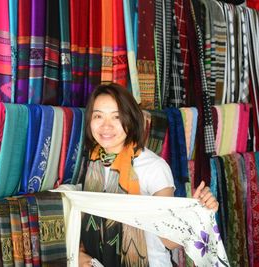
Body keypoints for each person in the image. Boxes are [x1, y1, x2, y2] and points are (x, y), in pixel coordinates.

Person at [78, 83, 219, 267]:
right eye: (98, 116)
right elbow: (80, 218)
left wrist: (198, 211)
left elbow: (168, 240)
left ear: (130, 119)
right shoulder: (89, 162)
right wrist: (79, 254)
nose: (106, 126)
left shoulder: (153, 168)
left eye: (117, 117)